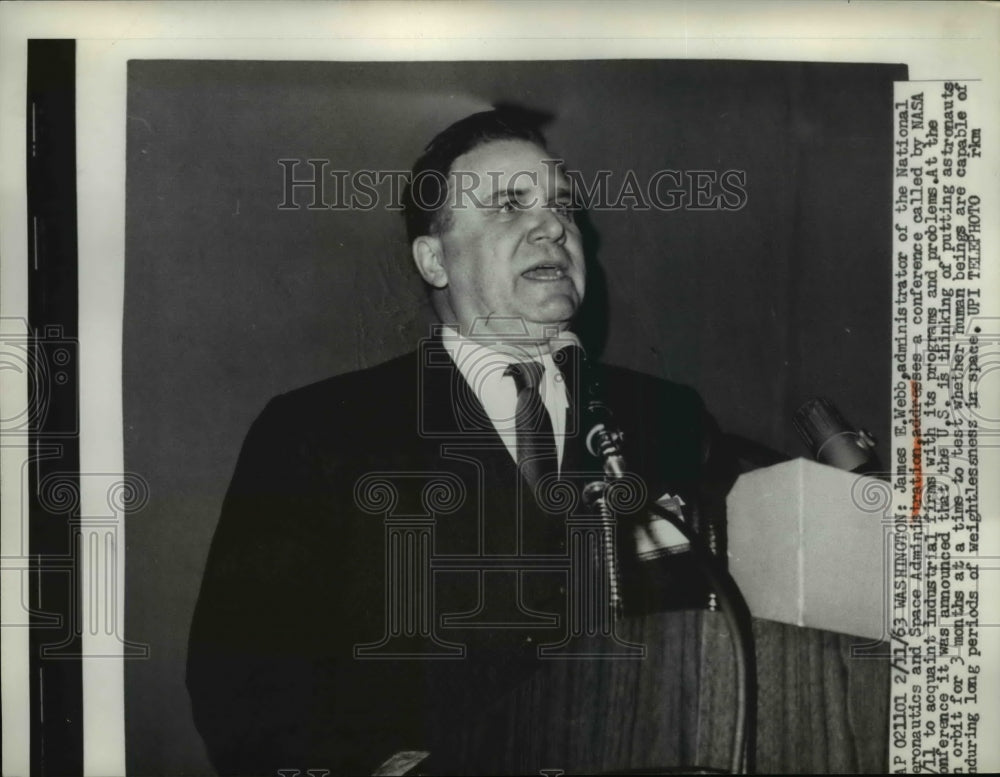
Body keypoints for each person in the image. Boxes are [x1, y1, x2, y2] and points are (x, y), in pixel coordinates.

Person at [187, 107, 736, 776]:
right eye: (510, 205)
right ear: (434, 257)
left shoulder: (672, 420)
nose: (553, 224)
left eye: (562, 204)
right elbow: (242, 684)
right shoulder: (318, 431)